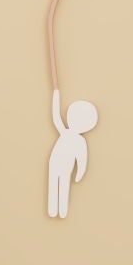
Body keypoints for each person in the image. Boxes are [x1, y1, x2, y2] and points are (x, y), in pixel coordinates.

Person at [47, 89, 97, 220]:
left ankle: (60, 210)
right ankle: (54, 209)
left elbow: (82, 159)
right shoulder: (67, 133)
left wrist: (79, 173)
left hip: (63, 166)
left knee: (62, 184)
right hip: (56, 163)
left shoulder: (73, 136)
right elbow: (56, 116)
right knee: (57, 184)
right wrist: (56, 94)